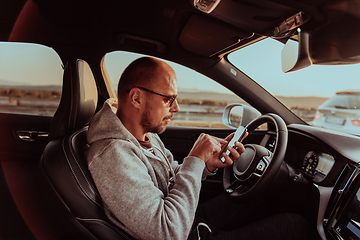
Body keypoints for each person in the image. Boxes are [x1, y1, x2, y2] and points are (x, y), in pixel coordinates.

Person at [87, 57, 308, 240]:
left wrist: (205, 165)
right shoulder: (113, 156)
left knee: (261, 198)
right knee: (293, 226)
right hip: (180, 230)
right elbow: (167, 232)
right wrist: (194, 160)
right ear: (136, 98)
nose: (176, 107)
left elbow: (173, 178)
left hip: (188, 219)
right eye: (168, 99)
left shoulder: (146, 135)